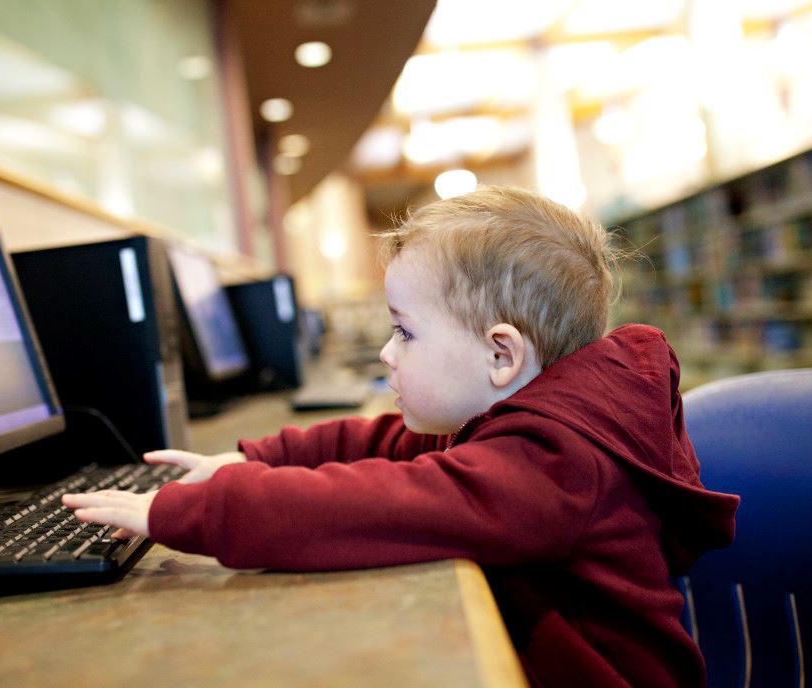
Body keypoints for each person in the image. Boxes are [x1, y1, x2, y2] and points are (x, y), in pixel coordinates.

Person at [63, 186, 740, 687]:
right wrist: (249, 457)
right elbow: (391, 444)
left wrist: (184, 512)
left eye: (405, 332)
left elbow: (383, 501)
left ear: (500, 355)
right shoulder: (524, 419)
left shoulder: (556, 464)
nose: (388, 353)